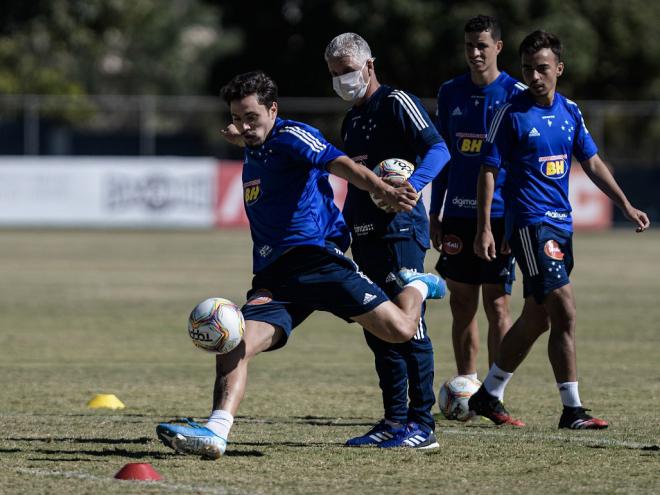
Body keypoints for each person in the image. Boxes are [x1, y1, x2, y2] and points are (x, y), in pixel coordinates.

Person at [156, 71, 446, 459]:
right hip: (274, 277)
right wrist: (241, 131)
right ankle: (216, 432)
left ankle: (421, 284)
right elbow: (244, 130)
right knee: (234, 342)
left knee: (400, 330)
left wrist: (382, 188)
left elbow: (340, 163)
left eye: (252, 117)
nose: (244, 126)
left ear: (273, 110)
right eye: (237, 118)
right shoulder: (253, 141)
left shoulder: (292, 135)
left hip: (315, 260)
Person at [469, 31, 650, 428]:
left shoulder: (570, 111)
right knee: (564, 307)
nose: (534, 76)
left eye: (542, 69)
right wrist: (485, 227)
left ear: (559, 70)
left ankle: (489, 394)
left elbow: (594, 162)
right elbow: (488, 171)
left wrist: (624, 203)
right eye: (528, 69)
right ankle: (572, 409)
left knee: (538, 318)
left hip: (560, 225)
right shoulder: (510, 113)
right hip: (530, 226)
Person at [325, 33, 450, 449]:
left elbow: (438, 148)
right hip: (364, 234)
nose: (342, 80)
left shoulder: (396, 103)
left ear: (369, 66)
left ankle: (422, 424)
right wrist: (338, 235)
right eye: (335, 75)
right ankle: (394, 419)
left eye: (347, 72)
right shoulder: (351, 120)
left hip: (401, 230)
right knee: (378, 327)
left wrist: (412, 185)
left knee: (408, 325)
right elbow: (354, 186)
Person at [430, 15, 526, 389]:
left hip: (500, 216)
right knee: (461, 304)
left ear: (498, 47)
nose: (474, 53)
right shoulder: (449, 92)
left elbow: (521, 163)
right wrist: (434, 213)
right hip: (456, 214)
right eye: (469, 45)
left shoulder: (516, 95)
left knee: (498, 306)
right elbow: (443, 157)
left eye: (482, 45)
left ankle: (494, 392)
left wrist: (514, 219)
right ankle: (467, 386)